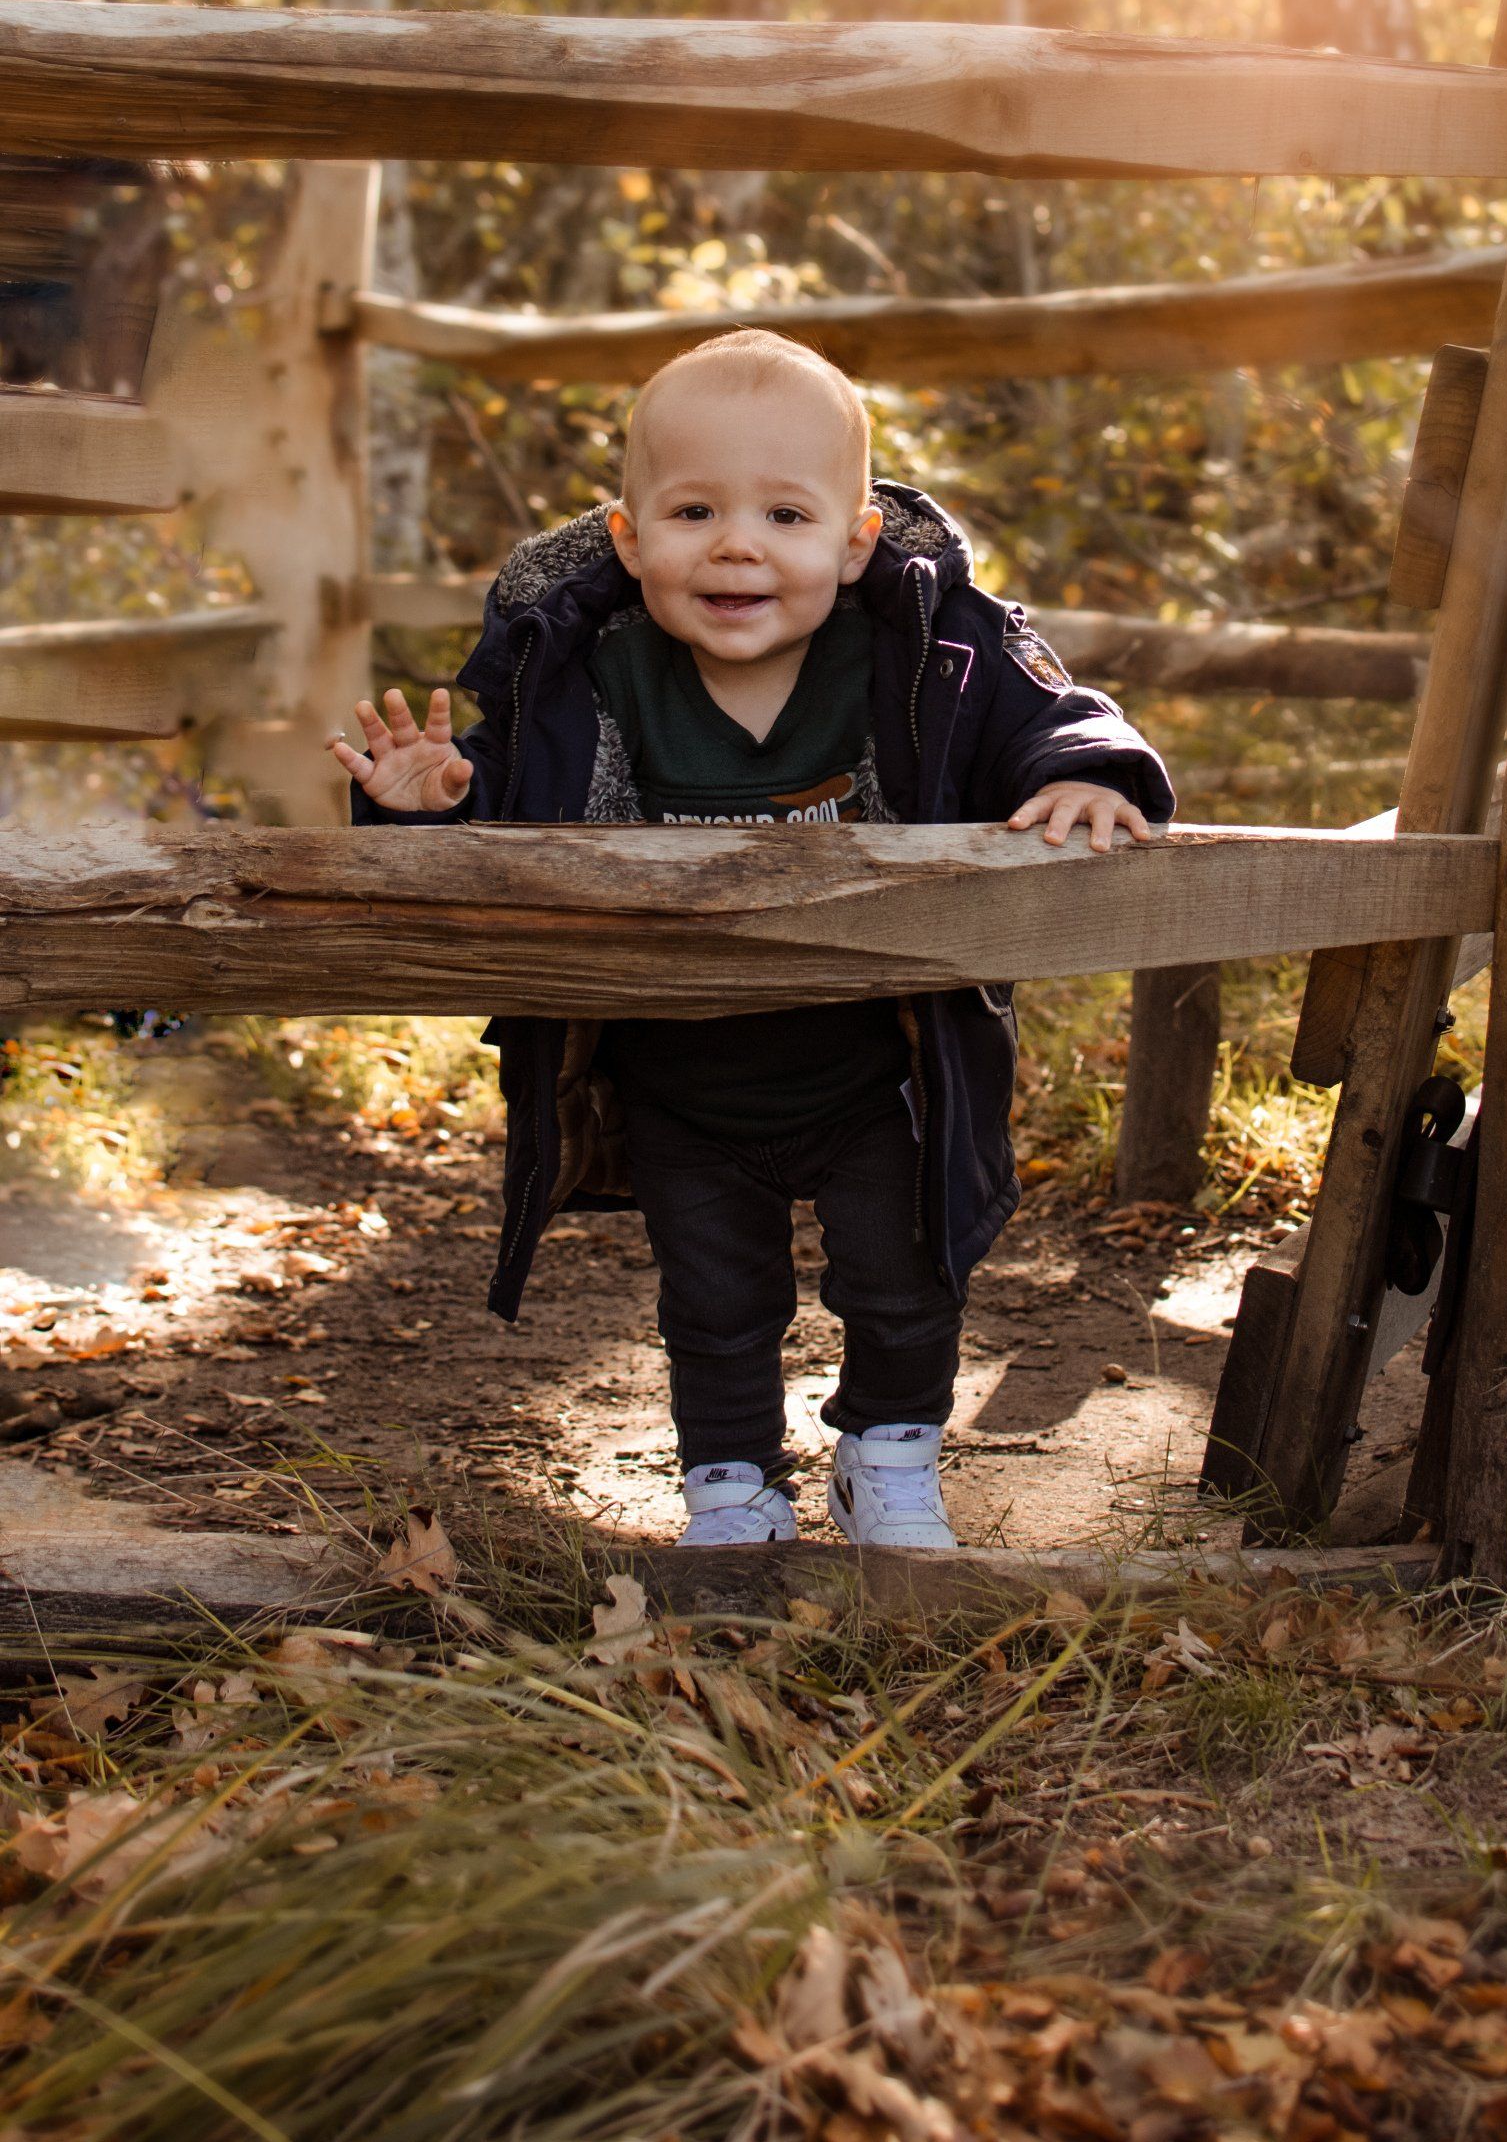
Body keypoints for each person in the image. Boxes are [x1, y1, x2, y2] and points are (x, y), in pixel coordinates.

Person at [331, 330, 1173, 1550]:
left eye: (786, 513)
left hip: (884, 1065)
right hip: (677, 1074)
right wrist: (427, 805)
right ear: (627, 539)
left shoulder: (922, 650)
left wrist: (1087, 777)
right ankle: (730, 1488)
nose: (737, 543)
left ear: (854, 538)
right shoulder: (583, 672)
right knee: (716, 1303)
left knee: (905, 1282)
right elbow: (501, 825)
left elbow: (1047, 712)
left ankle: (887, 1458)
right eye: (693, 510)